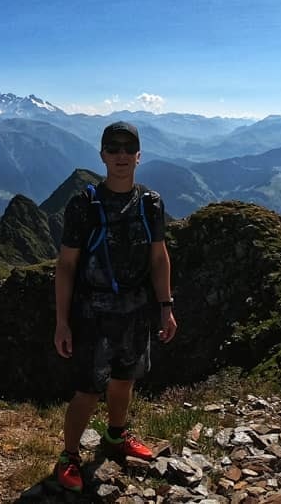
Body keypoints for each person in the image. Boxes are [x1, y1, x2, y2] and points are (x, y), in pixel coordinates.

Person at [53, 121, 178, 492]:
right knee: (88, 390)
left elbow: (159, 257)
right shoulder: (84, 205)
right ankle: (69, 456)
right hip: (92, 314)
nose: (121, 155)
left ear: (138, 156)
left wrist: (166, 306)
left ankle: (115, 435)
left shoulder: (151, 204)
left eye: (128, 148)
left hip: (136, 311)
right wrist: (62, 321)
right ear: (103, 155)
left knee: (125, 379)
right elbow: (66, 265)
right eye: (113, 148)